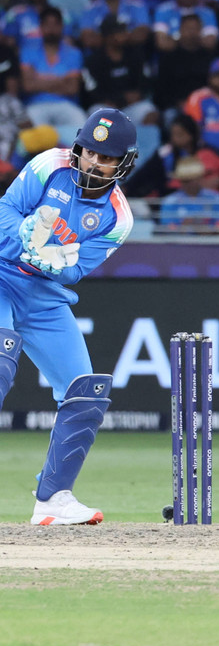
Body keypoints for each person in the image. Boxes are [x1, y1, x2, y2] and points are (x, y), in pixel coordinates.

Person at [0, 108, 138, 525]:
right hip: (2, 276)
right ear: (78, 148)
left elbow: (76, 270)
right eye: (90, 152)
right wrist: (23, 235)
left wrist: (53, 257)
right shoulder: (50, 164)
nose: (95, 162)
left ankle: (54, 499)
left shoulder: (118, 218)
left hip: (45, 296)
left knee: (86, 390)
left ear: (123, 163)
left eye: (107, 157)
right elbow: (5, 210)